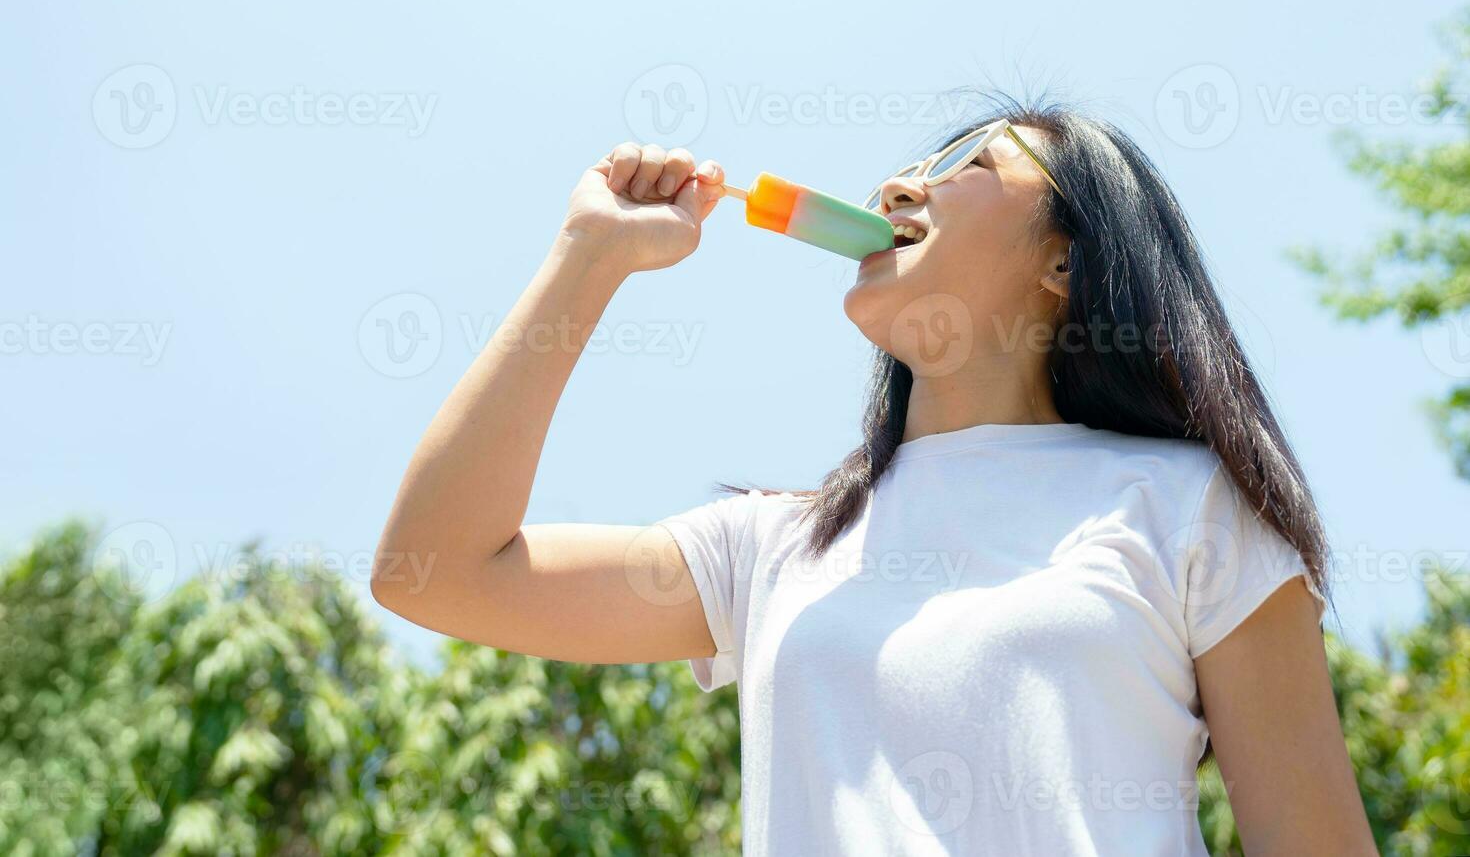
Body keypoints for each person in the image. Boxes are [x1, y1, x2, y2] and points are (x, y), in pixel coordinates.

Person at [371, 96, 1376, 855]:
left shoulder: (1189, 506)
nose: (899, 187)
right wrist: (588, 258)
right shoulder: (772, 545)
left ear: (1064, 263)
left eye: (970, 167)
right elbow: (435, 570)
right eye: (908, 169)